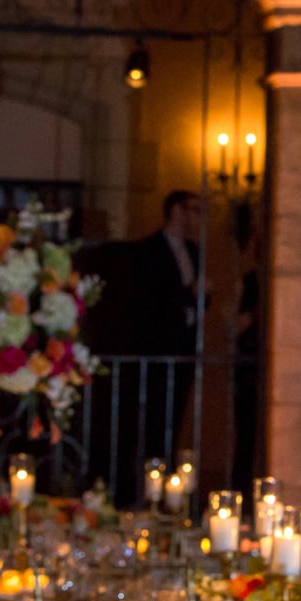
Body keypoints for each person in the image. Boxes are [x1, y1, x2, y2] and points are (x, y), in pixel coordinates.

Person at [122, 190, 202, 502]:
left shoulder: (194, 251)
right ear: (176, 211)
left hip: (183, 347)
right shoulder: (148, 250)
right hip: (154, 347)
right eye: (193, 210)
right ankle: (141, 489)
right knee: (150, 418)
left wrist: (199, 296)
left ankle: (169, 491)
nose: (197, 218)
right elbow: (150, 298)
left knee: (174, 418)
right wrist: (188, 293)